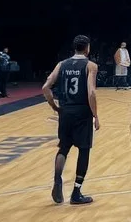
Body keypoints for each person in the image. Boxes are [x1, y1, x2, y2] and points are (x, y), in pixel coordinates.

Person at [42, 34, 100, 205]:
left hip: (65, 111)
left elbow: (46, 87)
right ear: (87, 48)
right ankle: (76, 192)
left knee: (64, 147)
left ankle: (57, 179)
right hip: (82, 112)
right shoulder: (90, 66)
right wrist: (96, 115)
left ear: (74, 47)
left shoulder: (62, 64)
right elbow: (91, 92)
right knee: (84, 150)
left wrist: (55, 107)